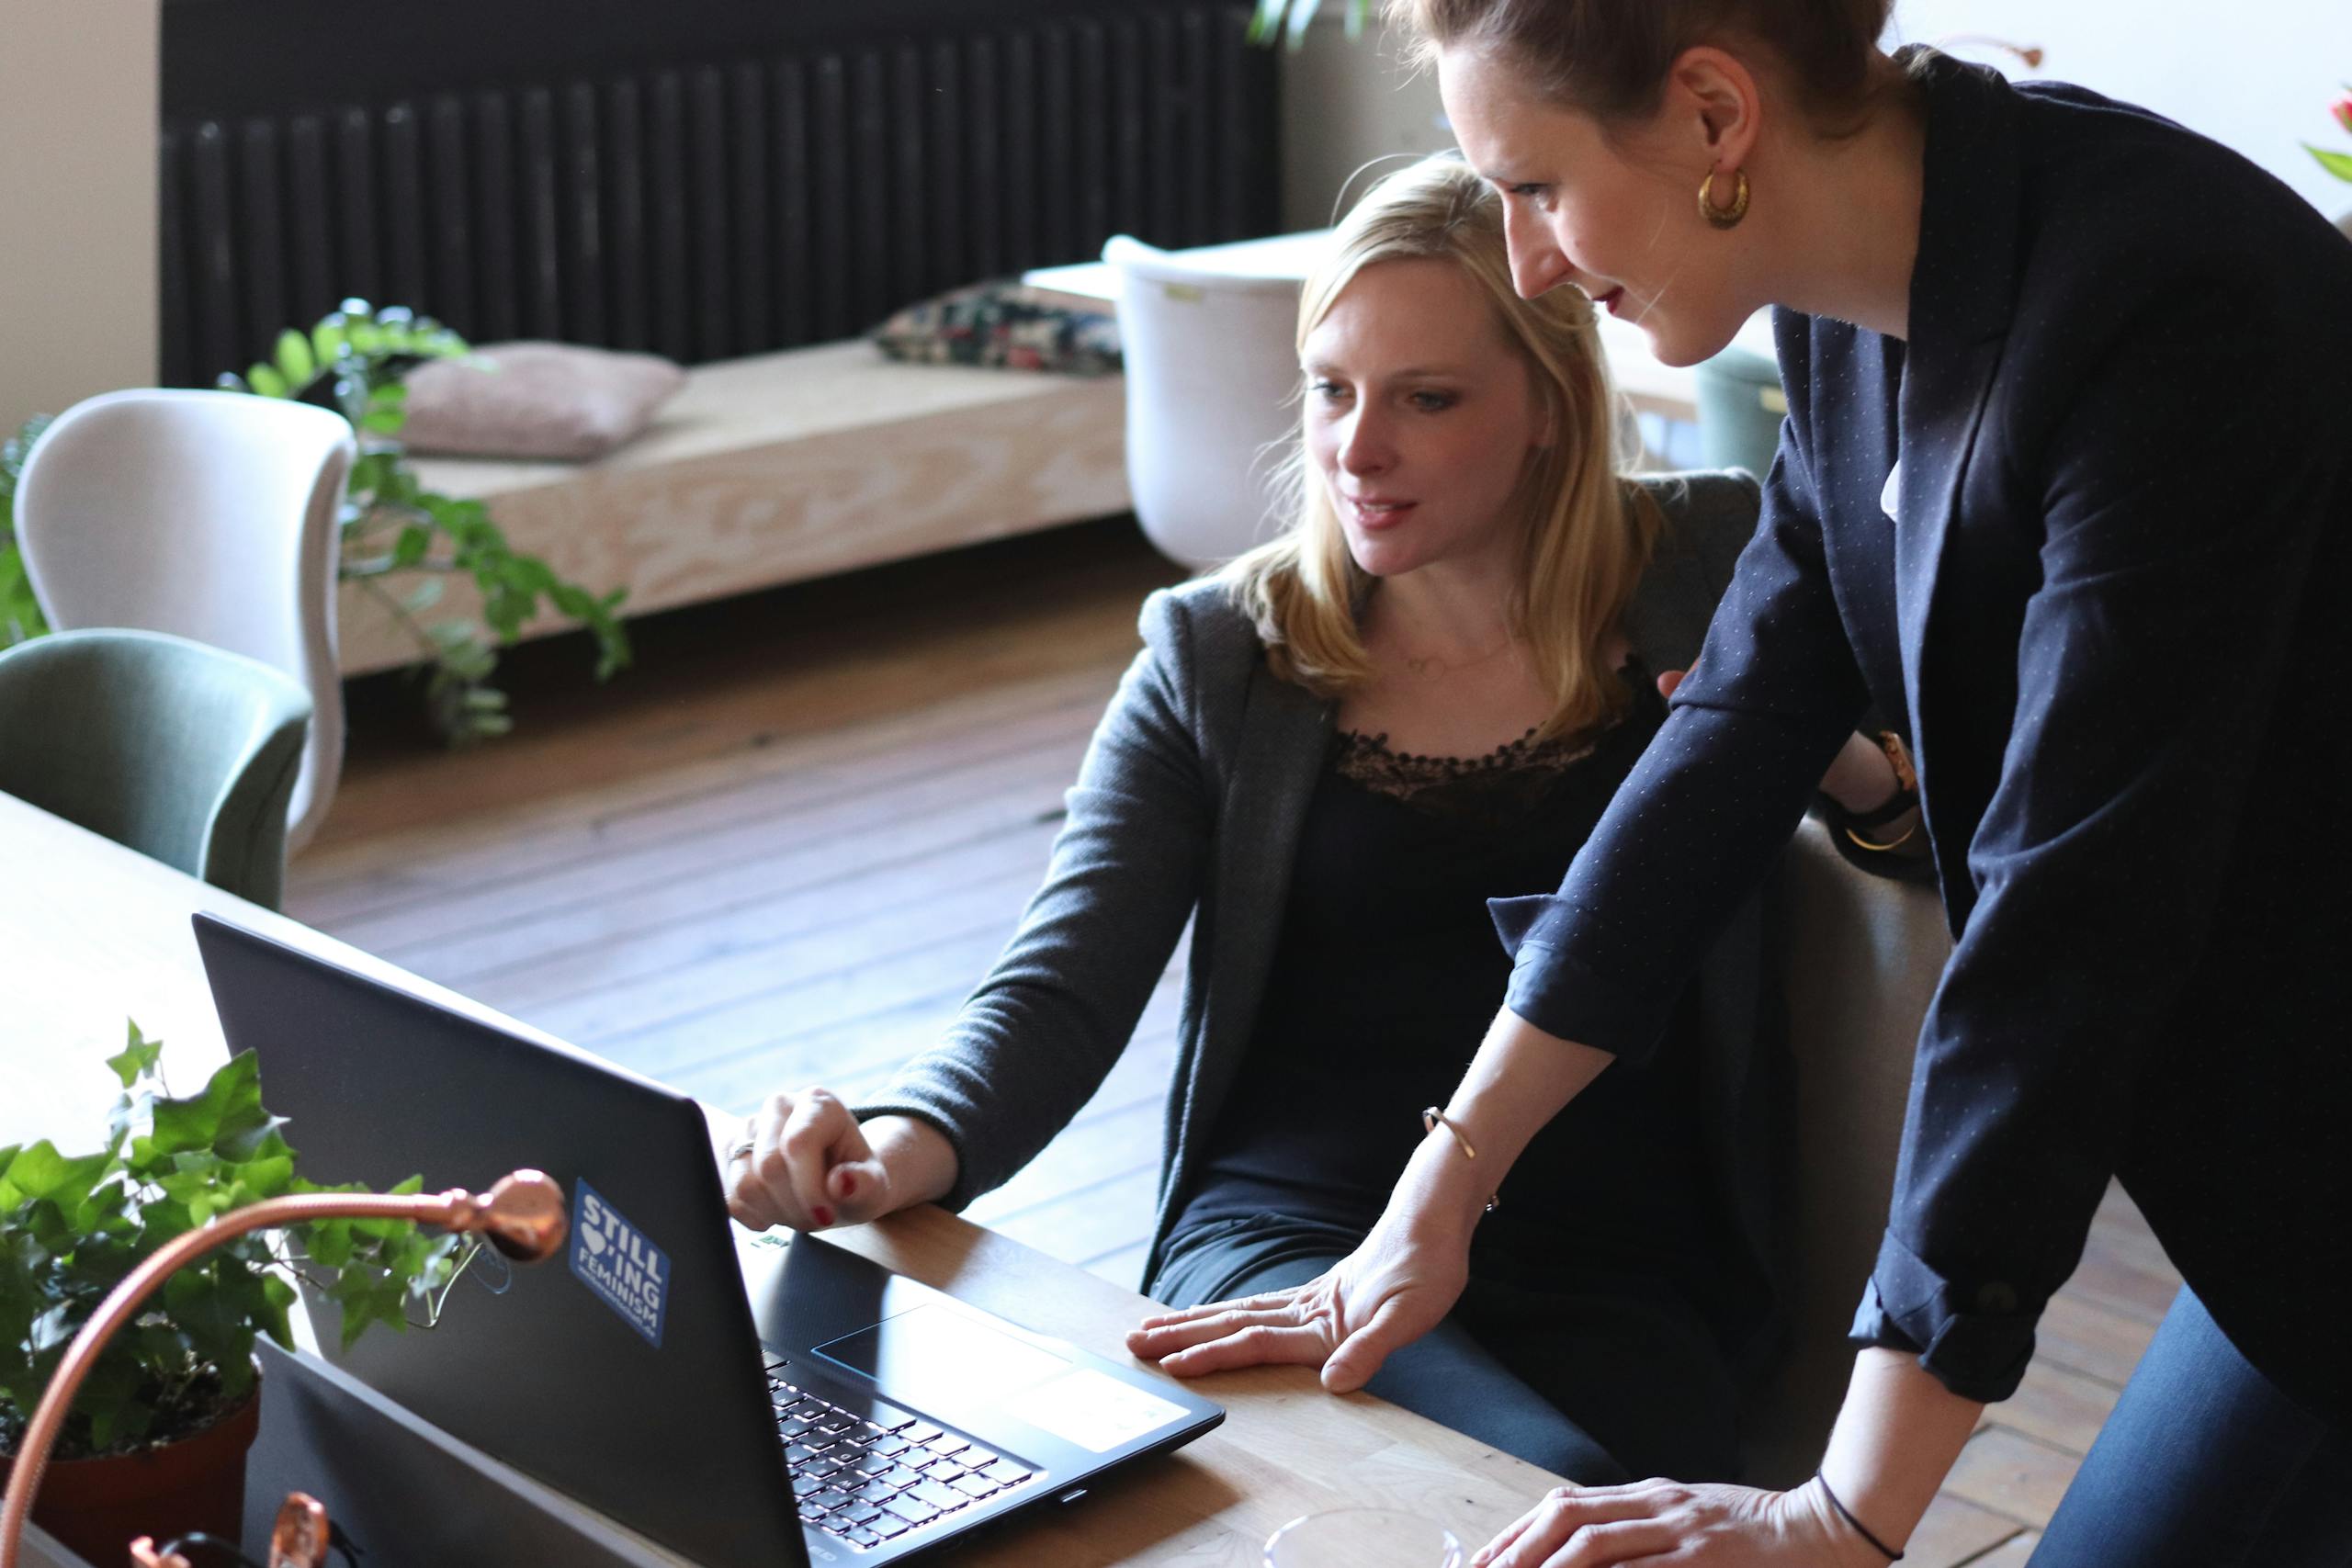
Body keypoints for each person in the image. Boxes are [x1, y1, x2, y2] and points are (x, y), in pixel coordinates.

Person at [1130, 4, 2352, 1564]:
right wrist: (1436, 1197)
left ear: (1715, 115)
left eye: (1538, 187)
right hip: (2278, 1172)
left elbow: (2069, 930)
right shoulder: (1857, 312)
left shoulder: (2167, 305)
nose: (1529, 266)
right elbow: (1732, 733)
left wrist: (1840, 1517)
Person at [722, 152, 1912, 1485]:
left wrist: (1843, 769)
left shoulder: (1715, 564)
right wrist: (889, 1152)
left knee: (1562, 1489)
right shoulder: (1223, 654)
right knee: (1520, 1487)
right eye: (1332, 390)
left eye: (1427, 399)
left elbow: (1936, 843)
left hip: (1625, 1263)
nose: (1357, 449)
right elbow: (1059, 987)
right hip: (1293, 1237)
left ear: (1550, 408)